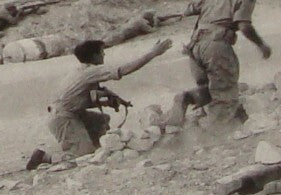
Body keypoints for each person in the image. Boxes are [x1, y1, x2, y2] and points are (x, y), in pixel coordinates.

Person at [28, 37, 173, 167]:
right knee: (83, 156)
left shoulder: (81, 70)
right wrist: (153, 53)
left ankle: (95, 148)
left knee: (102, 121)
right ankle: (46, 157)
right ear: (94, 56)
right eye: (102, 52)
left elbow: (78, 99)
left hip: (66, 113)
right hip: (63, 118)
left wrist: (107, 101)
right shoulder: (91, 72)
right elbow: (123, 70)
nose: (104, 55)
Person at [164, 0, 272, 126]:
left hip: (195, 47)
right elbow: (244, 26)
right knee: (224, 95)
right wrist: (261, 45)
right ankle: (219, 135)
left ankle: (187, 97)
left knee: (208, 90)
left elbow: (189, 10)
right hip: (215, 46)